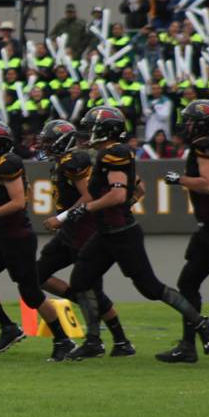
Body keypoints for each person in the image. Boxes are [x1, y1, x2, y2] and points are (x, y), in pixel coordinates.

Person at [64, 106, 209, 359]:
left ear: (105, 130)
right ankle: (93, 340)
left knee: (151, 288)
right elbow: (138, 188)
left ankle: (201, 322)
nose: (89, 132)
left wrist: (89, 209)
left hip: (122, 234)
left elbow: (119, 193)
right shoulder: (109, 153)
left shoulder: (115, 154)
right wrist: (117, 208)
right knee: (81, 279)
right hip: (106, 232)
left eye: (93, 127)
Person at [0, 120, 77, 361]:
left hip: (18, 238)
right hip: (3, 237)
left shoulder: (8, 163)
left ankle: (63, 340)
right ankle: (9, 328)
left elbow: (18, 201)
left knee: (31, 293)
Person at [35, 120, 134, 357]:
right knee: (37, 275)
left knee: (92, 289)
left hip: (84, 229)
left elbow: (88, 196)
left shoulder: (74, 161)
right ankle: (110, 334)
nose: (45, 145)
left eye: (49, 141)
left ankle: (115, 341)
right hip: (70, 231)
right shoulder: (63, 162)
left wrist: (61, 217)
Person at [157, 101, 209, 363]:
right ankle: (188, 346)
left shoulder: (206, 145)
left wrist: (179, 180)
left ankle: (188, 345)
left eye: (190, 120)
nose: (186, 125)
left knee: (189, 282)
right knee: (188, 282)